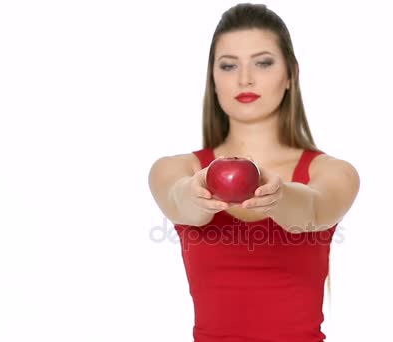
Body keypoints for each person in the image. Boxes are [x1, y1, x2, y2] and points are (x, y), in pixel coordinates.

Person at [148, 3, 360, 341]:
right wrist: (197, 195)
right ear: (213, 80)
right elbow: (179, 199)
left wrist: (277, 196)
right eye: (229, 66)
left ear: (290, 74)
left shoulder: (333, 172)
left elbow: (312, 209)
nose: (245, 78)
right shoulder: (177, 169)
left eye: (263, 63)